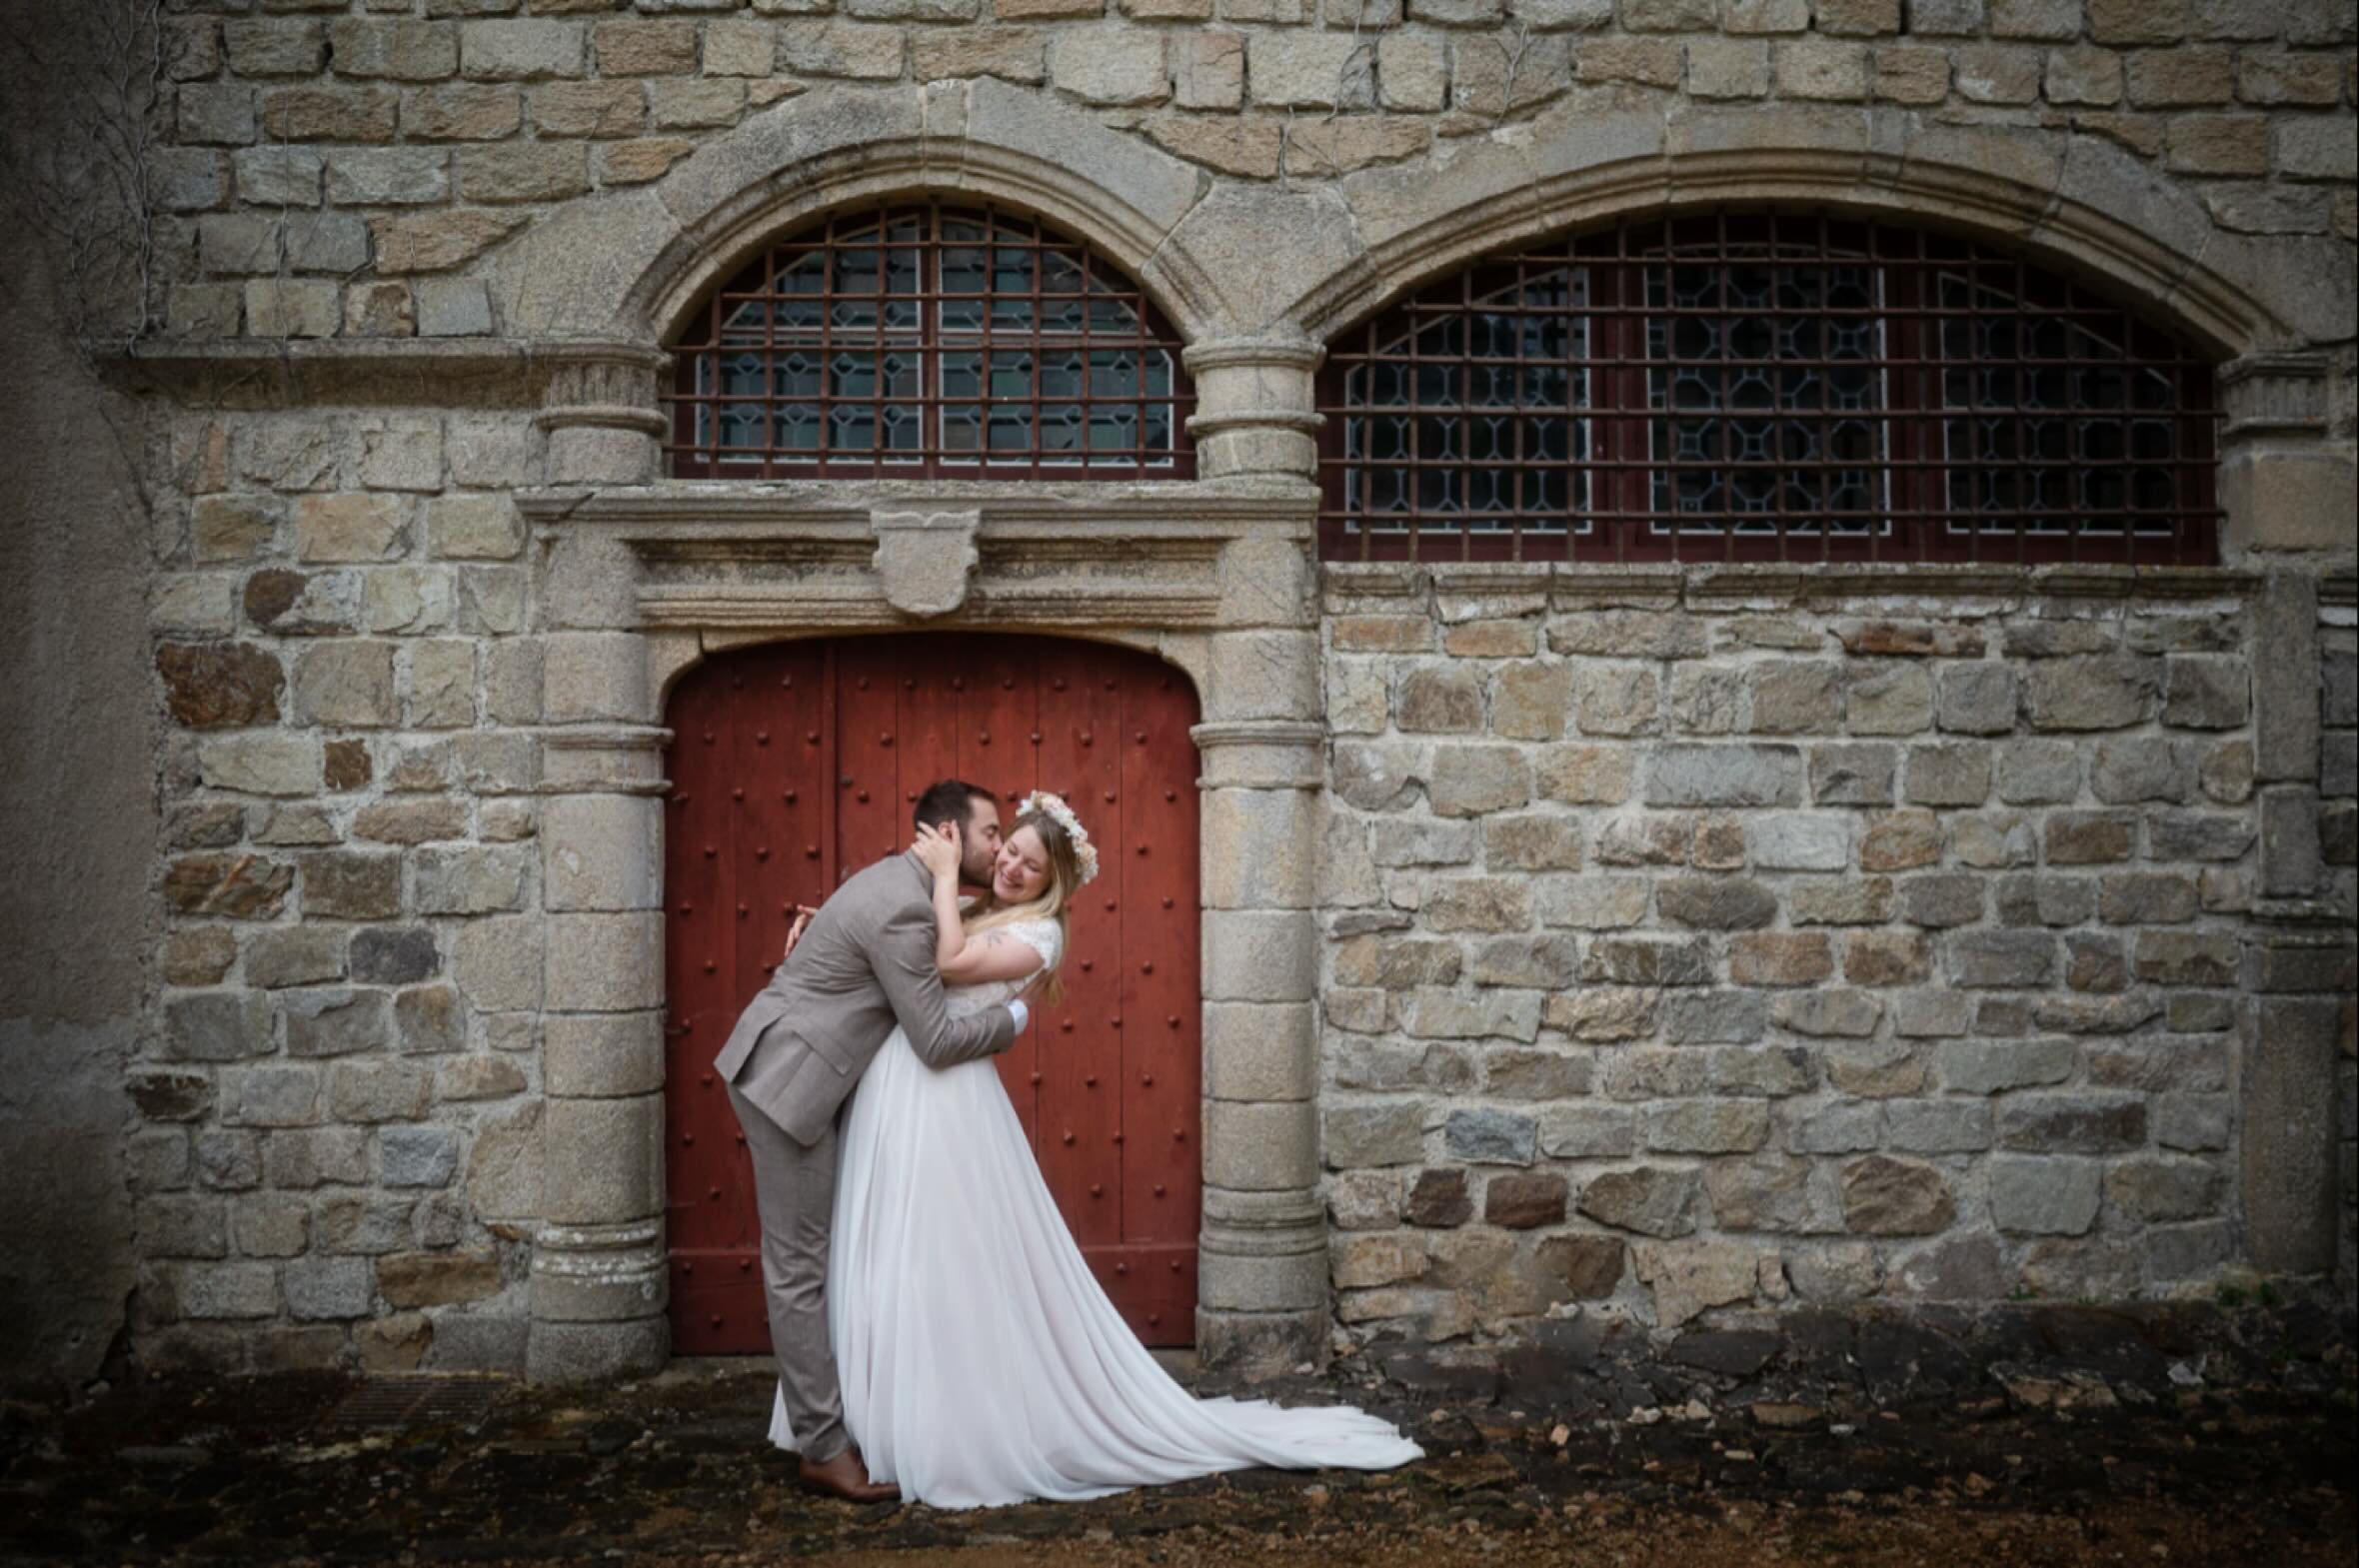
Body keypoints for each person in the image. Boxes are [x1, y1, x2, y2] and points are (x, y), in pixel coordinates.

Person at [767, 789, 1424, 1509]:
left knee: (939, 1258)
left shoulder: (1038, 934)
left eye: (1029, 862)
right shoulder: (984, 904)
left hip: (943, 1102)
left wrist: (951, 873)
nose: (1012, 865)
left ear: (1055, 883)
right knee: (881, 1253)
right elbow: (897, 945)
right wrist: (827, 925)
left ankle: (949, 1427)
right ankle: (871, 1415)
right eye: (1009, 848)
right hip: (893, 1092)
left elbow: (946, 961)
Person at [714, 779, 1029, 1503]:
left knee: (822, 1256)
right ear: (947, 836)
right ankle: (823, 1448)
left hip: (809, 1068)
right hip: (788, 1082)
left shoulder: (907, 886)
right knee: (798, 1266)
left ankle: (842, 1420)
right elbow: (937, 1037)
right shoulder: (904, 907)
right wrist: (1013, 1021)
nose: (998, 845)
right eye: (988, 833)